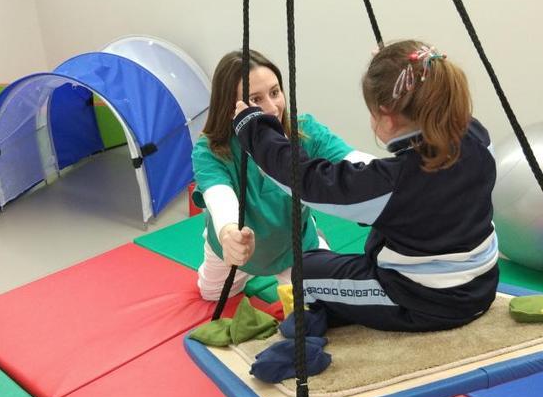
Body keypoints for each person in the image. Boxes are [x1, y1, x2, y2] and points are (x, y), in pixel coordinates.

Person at [231, 40, 498, 332]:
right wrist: (397, 71)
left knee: (304, 272)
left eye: (373, 113)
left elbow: (308, 181)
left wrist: (254, 129)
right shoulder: (477, 137)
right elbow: (434, 93)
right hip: (482, 286)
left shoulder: (394, 183)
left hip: (424, 302)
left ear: (388, 115)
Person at [192, 49, 374, 301]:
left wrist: (398, 178)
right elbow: (219, 196)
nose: (271, 108)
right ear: (228, 107)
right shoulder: (211, 149)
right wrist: (229, 234)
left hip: (293, 244)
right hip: (236, 245)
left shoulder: (304, 131)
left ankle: (315, 238)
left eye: (275, 92)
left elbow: (354, 161)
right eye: (255, 99)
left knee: (324, 301)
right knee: (211, 294)